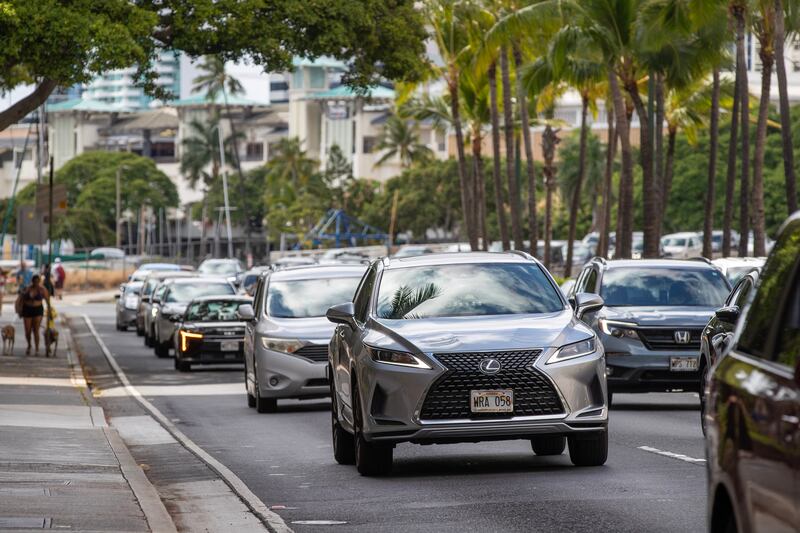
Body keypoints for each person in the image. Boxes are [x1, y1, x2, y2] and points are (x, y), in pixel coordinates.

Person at [21, 274, 49, 355]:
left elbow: (47, 300)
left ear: (39, 281)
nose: (36, 283)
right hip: (27, 309)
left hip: (38, 310)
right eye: (34, 281)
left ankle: (37, 348)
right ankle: (29, 345)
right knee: (27, 330)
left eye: (37, 281)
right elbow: (21, 298)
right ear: (32, 281)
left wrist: (50, 311)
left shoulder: (42, 289)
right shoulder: (27, 288)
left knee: (36, 330)